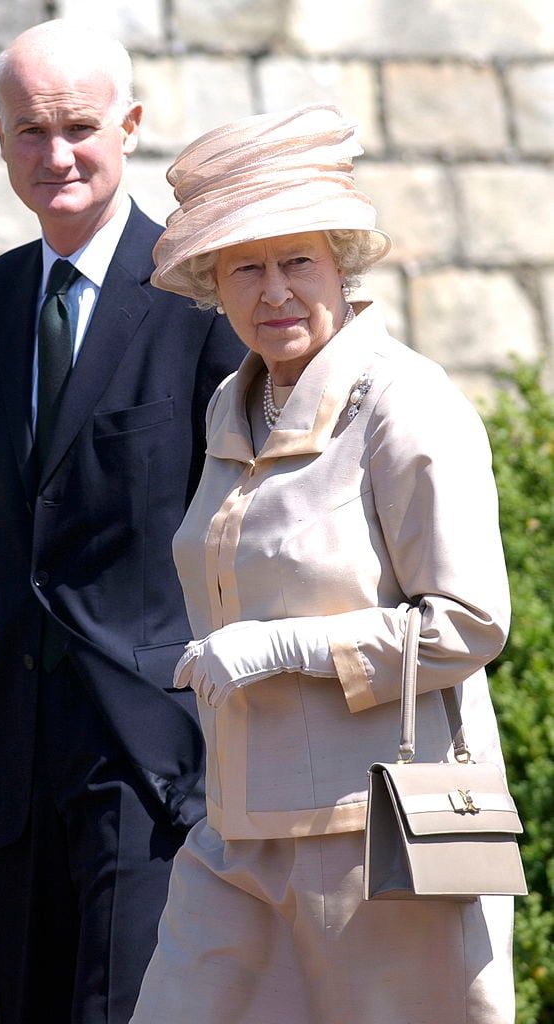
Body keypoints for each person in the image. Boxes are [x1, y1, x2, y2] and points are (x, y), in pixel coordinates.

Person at [0, 19, 244, 1024]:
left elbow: (253, 523)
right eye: (31, 130)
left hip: (160, 764)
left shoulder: (203, 295)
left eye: (78, 126)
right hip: (20, 768)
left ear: (131, 124)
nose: (57, 153)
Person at [129, 104, 517, 1023]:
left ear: (340, 265)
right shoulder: (235, 404)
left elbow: (469, 620)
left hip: (376, 838)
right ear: (213, 286)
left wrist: (283, 646)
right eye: (245, 268)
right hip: (233, 833)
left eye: (296, 261)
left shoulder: (405, 401)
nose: (273, 292)